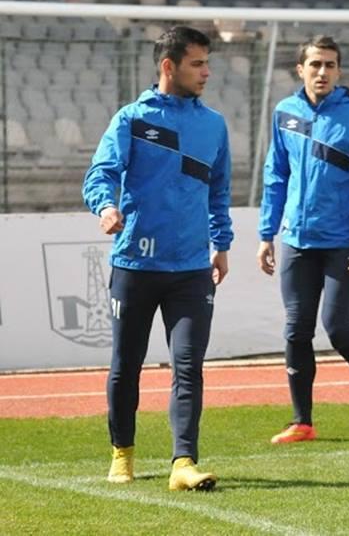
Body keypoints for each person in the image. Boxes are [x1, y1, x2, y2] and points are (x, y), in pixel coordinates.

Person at [82, 25, 232, 491]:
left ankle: (183, 462)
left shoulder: (214, 124)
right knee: (126, 365)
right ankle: (122, 454)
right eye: (197, 64)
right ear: (169, 66)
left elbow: (219, 191)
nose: (206, 72)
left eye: (207, 63)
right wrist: (106, 207)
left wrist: (222, 244)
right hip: (136, 266)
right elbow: (101, 173)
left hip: (192, 269)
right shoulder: (132, 119)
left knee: (188, 365)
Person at [257, 35, 349, 443]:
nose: (322, 72)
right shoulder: (285, 112)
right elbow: (276, 175)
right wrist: (266, 233)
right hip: (297, 240)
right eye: (315, 64)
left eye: (330, 65)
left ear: (339, 70)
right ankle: (302, 421)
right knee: (296, 329)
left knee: (336, 326)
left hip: (343, 240)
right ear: (300, 69)